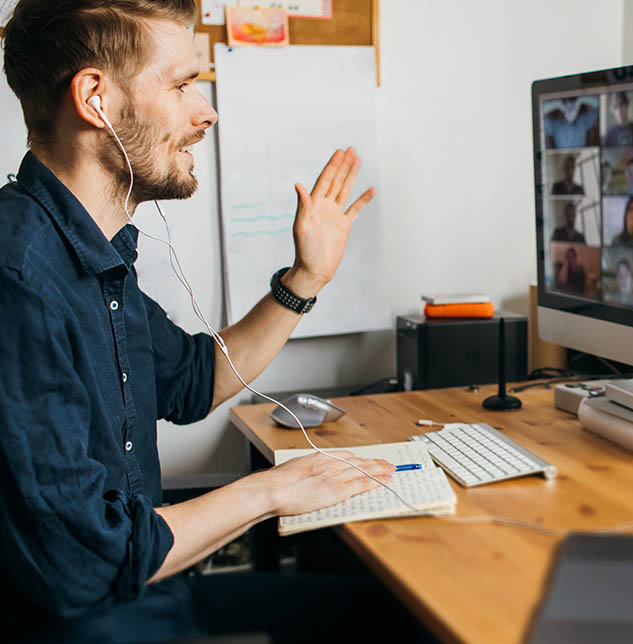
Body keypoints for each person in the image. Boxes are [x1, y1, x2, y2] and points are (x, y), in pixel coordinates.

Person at [0, 2, 416, 642]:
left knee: (388, 609)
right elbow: (82, 567)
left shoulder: (85, 252)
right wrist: (270, 493)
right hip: (91, 624)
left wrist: (305, 278)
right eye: (181, 84)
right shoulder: (18, 277)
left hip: (142, 596)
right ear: (95, 99)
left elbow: (193, 380)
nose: (206, 112)